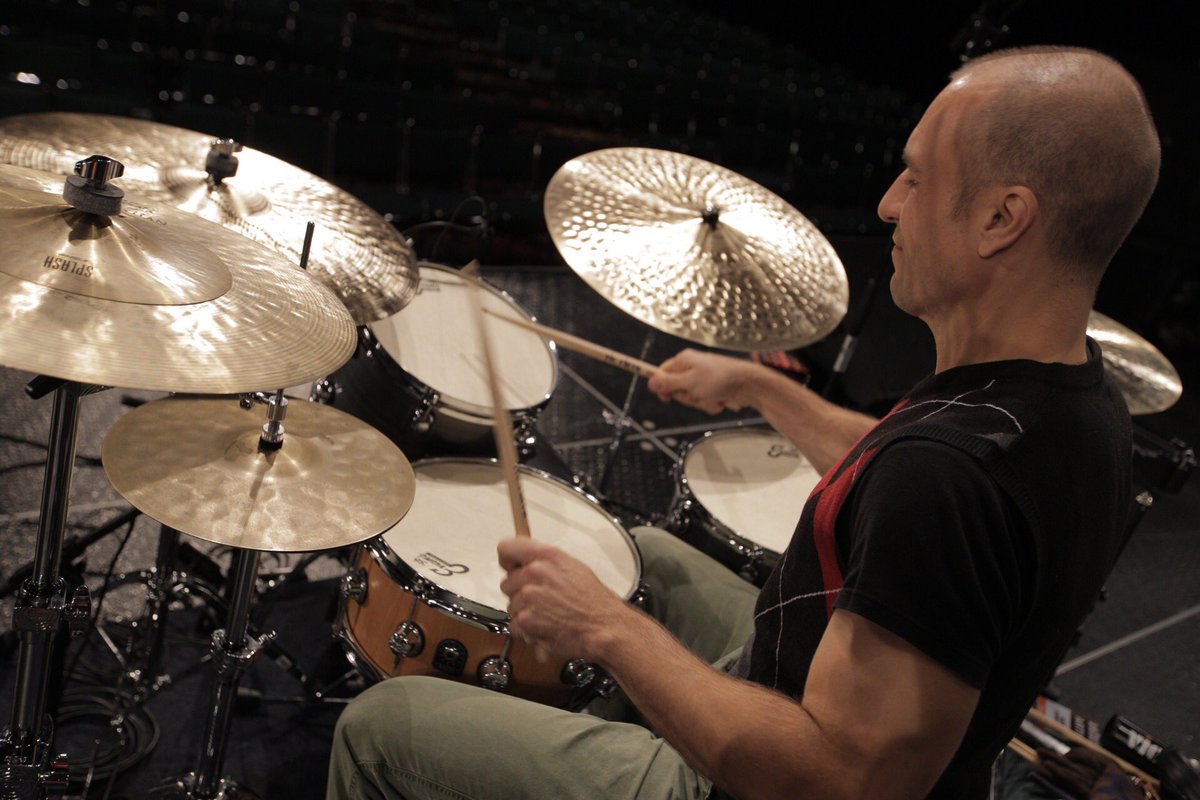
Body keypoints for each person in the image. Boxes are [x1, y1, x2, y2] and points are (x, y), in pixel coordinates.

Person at [327, 45, 1160, 800]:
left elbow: (836, 781)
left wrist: (604, 629)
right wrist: (765, 392)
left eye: (916, 178)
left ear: (1001, 219)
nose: (887, 205)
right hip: (822, 684)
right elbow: (890, 474)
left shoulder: (950, 479)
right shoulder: (1071, 403)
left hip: (761, 776)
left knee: (384, 727)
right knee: (644, 554)